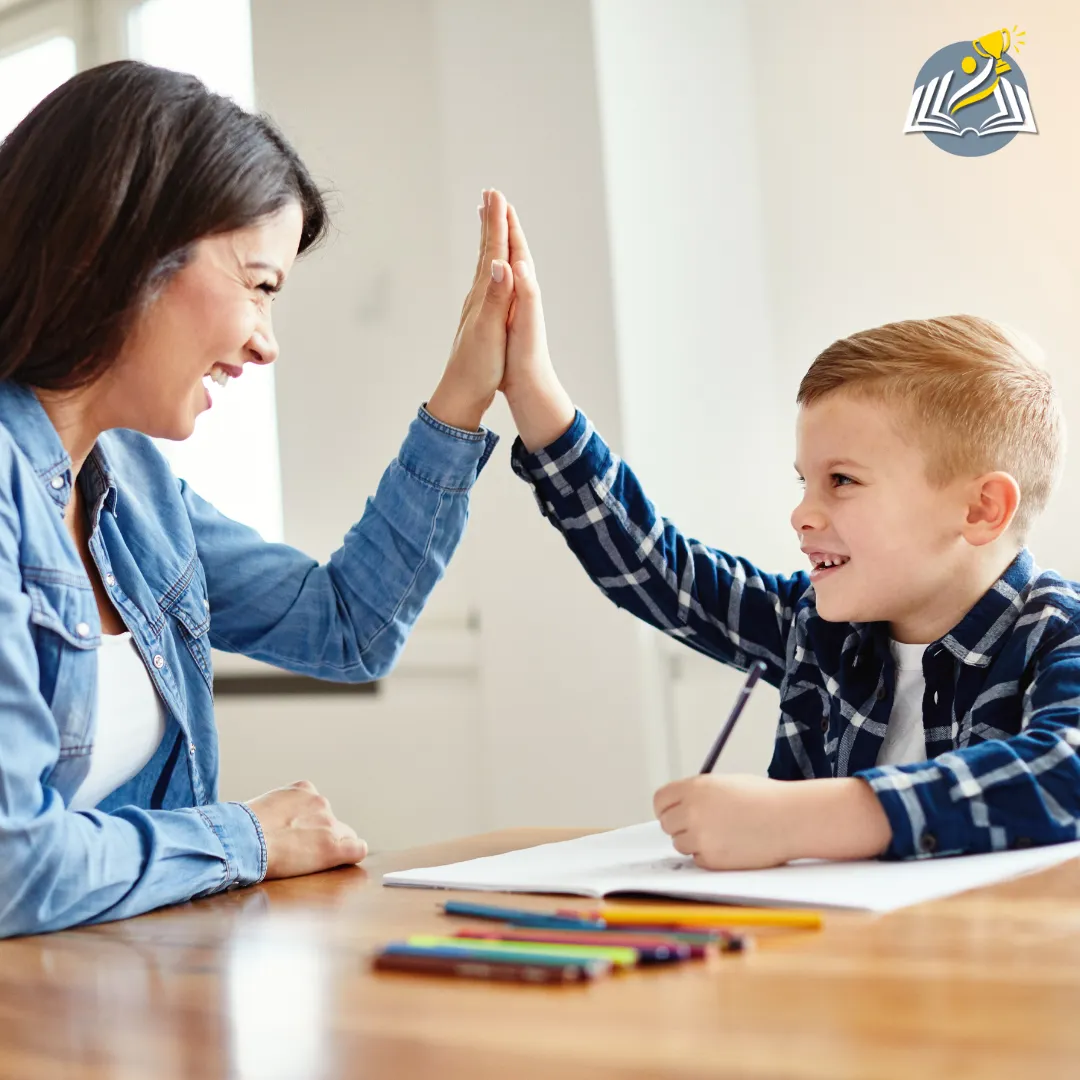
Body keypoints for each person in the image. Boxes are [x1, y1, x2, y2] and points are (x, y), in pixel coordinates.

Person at [0, 61, 520, 936]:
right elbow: (12, 865)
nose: (266, 343)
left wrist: (462, 396)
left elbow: (346, 628)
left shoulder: (135, 484)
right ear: (119, 246)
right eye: (259, 285)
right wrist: (246, 836)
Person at [496, 203, 1080, 869]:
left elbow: (1066, 768)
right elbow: (658, 570)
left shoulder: (1058, 633)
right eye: (803, 481)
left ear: (980, 510)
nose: (802, 513)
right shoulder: (816, 625)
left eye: (842, 481)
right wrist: (531, 389)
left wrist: (803, 820)